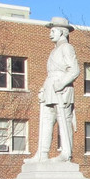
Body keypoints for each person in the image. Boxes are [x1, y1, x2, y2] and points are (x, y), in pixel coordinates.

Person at [34, 16, 80, 161]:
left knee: (64, 121)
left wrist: (61, 84)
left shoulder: (67, 47)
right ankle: (42, 154)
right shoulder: (54, 50)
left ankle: (66, 153)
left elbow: (74, 70)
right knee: (46, 119)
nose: (50, 33)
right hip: (50, 89)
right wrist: (43, 89)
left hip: (62, 90)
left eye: (53, 30)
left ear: (61, 32)